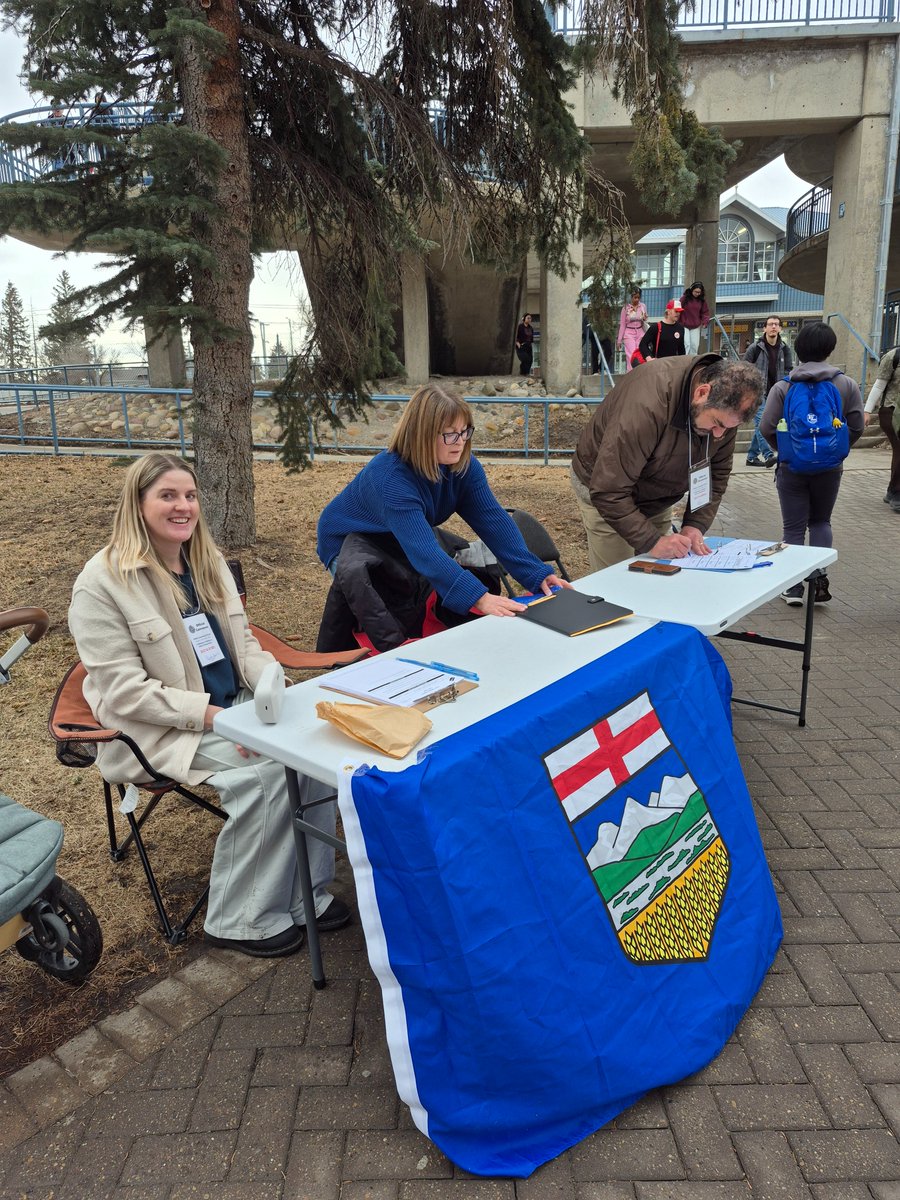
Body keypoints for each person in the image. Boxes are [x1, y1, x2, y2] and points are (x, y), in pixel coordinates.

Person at [68, 452, 350, 959]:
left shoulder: (206, 561)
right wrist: (224, 721)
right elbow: (126, 694)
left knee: (315, 751)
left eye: (190, 495)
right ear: (137, 503)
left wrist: (272, 690)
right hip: (158, 730)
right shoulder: (101, 583)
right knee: (266, 774)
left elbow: (243, 645)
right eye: (168, 496)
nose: (183, 506)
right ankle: (240, 918)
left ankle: (306, 892)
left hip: (234, 707)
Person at [317, 383, 569, 618]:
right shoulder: (390, 478)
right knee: (383, 611)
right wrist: (479, 597)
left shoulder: (464, 468)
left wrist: (536, 574)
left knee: (411, 603)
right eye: (450, 435)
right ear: (421, 435)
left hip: (393, 536)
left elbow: (494, 522)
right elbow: (424, 551)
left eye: (464, 432)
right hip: (347, 539)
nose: (460, 442)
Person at [570, 356, 762, 572]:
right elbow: (608, 490)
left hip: (657, 493)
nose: (720, 435)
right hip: (607, 496)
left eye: (728, 428)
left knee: (661, 572)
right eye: (717, 424)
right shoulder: (646, 404)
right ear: (702, 393)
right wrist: (652, 541)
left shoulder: (726, 410)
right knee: (617, 582)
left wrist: (694, 525)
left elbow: (716, 476)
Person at [759, 321, 863, 606]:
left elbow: (767, 426)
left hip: (792, 468)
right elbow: (857, 425)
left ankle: (793, 589)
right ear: (830, 349)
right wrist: (836, 450)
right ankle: (818, 582)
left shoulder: (784, 387)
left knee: (793, 528)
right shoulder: (846, 384)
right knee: (821, 521)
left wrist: (787, 451)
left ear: (799, 348)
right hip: (830, 468)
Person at [743, 315, 793, 466]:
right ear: (764, 328)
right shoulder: (755, 348)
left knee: (763, 423)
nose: (773, 327)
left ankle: (751, 457)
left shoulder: (785, 349)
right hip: (757, 392)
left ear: (780, 329)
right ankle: (769, 454)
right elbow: (744, 369)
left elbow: (789, 371)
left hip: (776, 393)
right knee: (762, 422)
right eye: (770, 324)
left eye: (776, 324)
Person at [863, 345, 900, 512]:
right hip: (892, 411)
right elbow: (878, 385)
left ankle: (893, 490)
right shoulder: (894, 356)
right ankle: (896, 492)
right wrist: (867, 411)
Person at [633, 299, 686, 366]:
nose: (678, 314)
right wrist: (648, 358)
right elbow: (643, 344)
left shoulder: (680, 328)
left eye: (679, 312)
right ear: (668, 311)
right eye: (676, 311)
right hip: (658, 365)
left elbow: (681, 349)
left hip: (673, 366)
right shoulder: (656, 327)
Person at [616, 288, 648, 372]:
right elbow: (622, 324)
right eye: (635, 297)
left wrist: (644, 318)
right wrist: (619, 340)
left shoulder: (643, 306)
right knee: (631, 355)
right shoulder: (626, 308)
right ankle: (630, 373)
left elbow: (644, 319)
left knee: (640, 354)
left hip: (640, 332)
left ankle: (640, 373)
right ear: (631, 297)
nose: (637, 299)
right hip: (629, 333)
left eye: (638, 297)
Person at [679, 282, 711, 356]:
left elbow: (705, 312)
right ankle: (684, 361)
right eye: (696, 292)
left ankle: (693, 362)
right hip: (684, 325)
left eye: (699, 292)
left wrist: (705, 322)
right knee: (686, 344)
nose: (697, 294)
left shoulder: (702, 301)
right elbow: (678, 310)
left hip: (695, 326)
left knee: (694, 346)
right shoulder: (684, 299)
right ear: (691, 290)